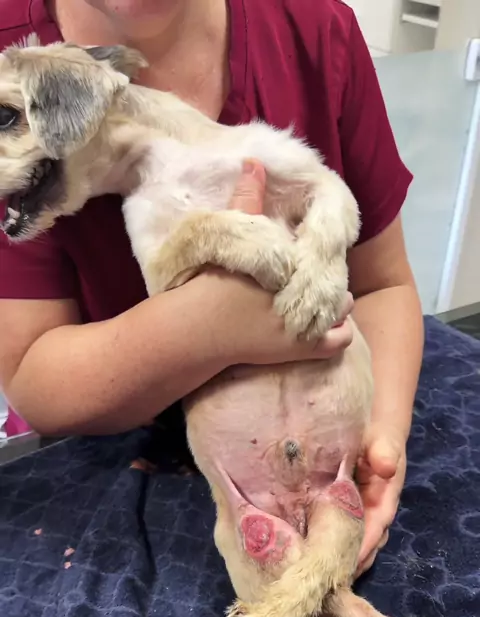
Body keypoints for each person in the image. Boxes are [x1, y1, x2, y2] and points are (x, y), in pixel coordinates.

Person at [0, 0, 424, 575]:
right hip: (104, 458)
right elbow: (31, 375)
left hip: (328, 443)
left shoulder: (317, 31)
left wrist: (381, 445)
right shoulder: (12, 75)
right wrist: (209, 324)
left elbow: (382, 285)